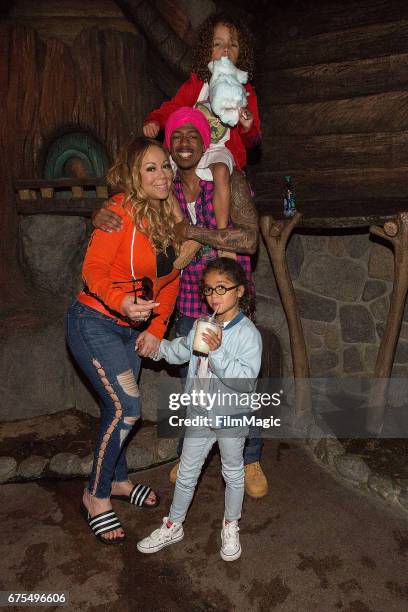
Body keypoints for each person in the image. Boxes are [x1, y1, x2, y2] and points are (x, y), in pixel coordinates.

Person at [93, 109, 268, 499]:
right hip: (188, 301)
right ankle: (194, 450)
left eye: (194, 135)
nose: (185, 142)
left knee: (238, 382)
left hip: (230, 303)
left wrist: (192, 231)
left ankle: (249, 455)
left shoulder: (229, 182)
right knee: (197, 384)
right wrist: (100, 212)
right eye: (177, 136)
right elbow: (127, 207)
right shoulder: (163, 189)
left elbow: (251, 240)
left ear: (206, 141)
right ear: (169, 147)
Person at [65, 137, 180, 545]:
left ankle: (118, 482)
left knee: (117, 410)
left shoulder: (170, 216)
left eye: (165, 165)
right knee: (127, 407)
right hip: (93, 321)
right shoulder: (117, 212)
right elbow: (93, 268)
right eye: (151, 168)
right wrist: (119, 300)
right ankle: (94, 495)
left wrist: (156, 327)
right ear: (134, 174)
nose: (162, 174)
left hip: (132, 330)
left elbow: (171, 280)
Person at [137, 257, 262, 561]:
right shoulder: (200, 324)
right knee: (187, 471)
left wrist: (217, 352)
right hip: (200, 412)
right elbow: (180, 351)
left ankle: (231, 524)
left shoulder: (248, 334)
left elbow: (245, 382)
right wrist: (155, 348)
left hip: (230, 417)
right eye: (208, 290)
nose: (214, 296)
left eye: (222, 288)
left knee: (232, 473)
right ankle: (174, 524)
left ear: (240, 291)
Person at [143, 12, 261, 266]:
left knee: (220, 172)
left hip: (221, 150)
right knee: (164, 176)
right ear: (207, 50)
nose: (225, 50)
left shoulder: (245, 91)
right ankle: (184, 232)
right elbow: (172, 107)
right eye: (217, 44)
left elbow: (254, 141)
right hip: (192, 151)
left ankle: (220, 238)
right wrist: (155, 120)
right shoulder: (198, 84)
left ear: (243, 52)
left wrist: (247, 126)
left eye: (233, 44)